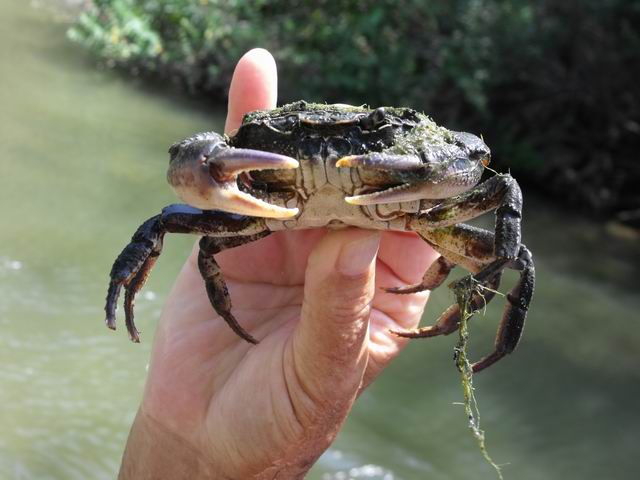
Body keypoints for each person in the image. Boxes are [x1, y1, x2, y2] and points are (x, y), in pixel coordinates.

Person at [118, 48, 438, 479]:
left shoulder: (425, 162)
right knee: (170, 226)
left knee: (507, 245)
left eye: (368, 135)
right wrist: (190, 450)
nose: (329, 158)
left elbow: (482, 168)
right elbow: (186, 162)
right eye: (292, 137)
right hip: (264, 206)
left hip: (387, 199)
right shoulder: (244, 158)